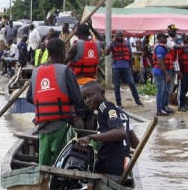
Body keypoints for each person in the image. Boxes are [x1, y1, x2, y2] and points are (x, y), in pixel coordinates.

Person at [26, 38, 85, 166]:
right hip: (61, 125)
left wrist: (44, 101)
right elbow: (77, 98)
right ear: (63, 52)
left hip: (41, 125)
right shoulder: (65, 71)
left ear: (49, 52)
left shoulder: (36, 71)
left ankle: (42, 182)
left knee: (43, 162)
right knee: (60, 162)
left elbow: (29, 97)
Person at [76, 82, 139, 176]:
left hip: (109, 165)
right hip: (123, 165)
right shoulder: (122, 113)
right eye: (85, 98)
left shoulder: (105, 108)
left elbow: (120, 133)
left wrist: (91, 137)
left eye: (90, 96)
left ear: (102, 93)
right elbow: (136, 144)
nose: (87, 101)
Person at [104, 30, 142, 107]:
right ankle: (119, 103)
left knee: (132, 83)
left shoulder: (127, 43)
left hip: (126, 67)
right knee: (117, 86)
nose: (120, 37)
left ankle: (138, 101)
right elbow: (106, 53)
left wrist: (131, 67)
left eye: (121, 36)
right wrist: (111, 44)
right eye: (118, 36)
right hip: (116, 67)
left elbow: (130, 56)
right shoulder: (113, 43)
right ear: (116, 36)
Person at [153, 33, 174, 116]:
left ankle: (163, 107)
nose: (165, 39)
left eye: (166, 38)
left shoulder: (164, 47)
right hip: (160, 72)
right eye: (164, 38)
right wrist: (166, 74)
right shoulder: (160, 48)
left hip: (163, 71)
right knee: (160, 91)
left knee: (165, 90)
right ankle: (159, 110)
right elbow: (160, 62)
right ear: (159, 38)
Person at [176, 34, 188, 111]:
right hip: (182, 71)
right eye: (186, 38)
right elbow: (177, 60)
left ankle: (183, 104)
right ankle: (180, 106)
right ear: (183, 39)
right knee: (182, 89)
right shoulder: (180, 48)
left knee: (186, 88)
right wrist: (179, 72)